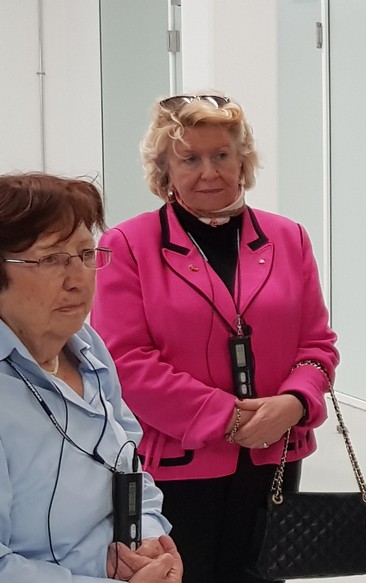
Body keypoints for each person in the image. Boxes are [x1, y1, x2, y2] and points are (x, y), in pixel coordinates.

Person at [91, 94, 339, 583]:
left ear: (243, 161)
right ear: (164, 171)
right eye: (190, 159)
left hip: (274, 455)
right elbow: (125, 361)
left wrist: (294, 401)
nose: (209, 172)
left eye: (222, 155)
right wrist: (226, 417)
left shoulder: (289, 238)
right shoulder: (126, 246)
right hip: (177, 468)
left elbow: (317, 345)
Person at [0, 172, 182, 582]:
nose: (77, 278)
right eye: (51, 259)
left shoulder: (86, 345)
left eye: (85, 254)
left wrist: (148, 543)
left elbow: (129, 461)